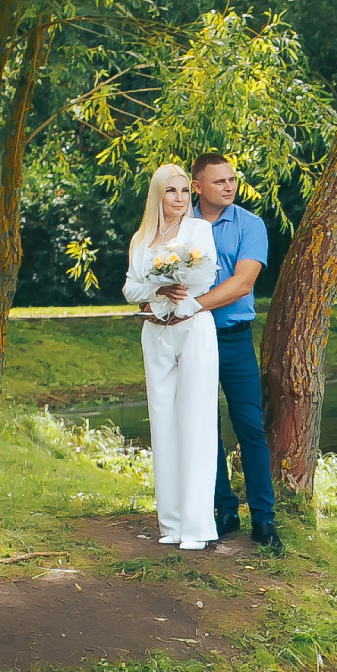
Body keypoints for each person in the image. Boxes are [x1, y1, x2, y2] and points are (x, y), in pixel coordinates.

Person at [185, 152, 281, 549]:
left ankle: (264, 520)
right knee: (203, 428)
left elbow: (242, 284)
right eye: (219, 181)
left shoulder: (250, 225)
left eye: (232, 180)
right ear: (197, 187)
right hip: (189, 338)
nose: (229, 186)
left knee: (250, 428)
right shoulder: (180, 226)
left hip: (233, 338)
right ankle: (224, 511)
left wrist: (191, 303)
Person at [122, 164, 220, 551]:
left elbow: (206, 276)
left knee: (196, 421)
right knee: (162, 420)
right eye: (171, 191)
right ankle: (172, 523)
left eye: (184, 191)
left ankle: (197, 527)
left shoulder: (199, 231)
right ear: (158, 196)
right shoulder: (143, 237)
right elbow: (131, 288)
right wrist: (159, 287)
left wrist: (178, 292)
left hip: (193, 328)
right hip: (155, 331)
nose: (179, 199)